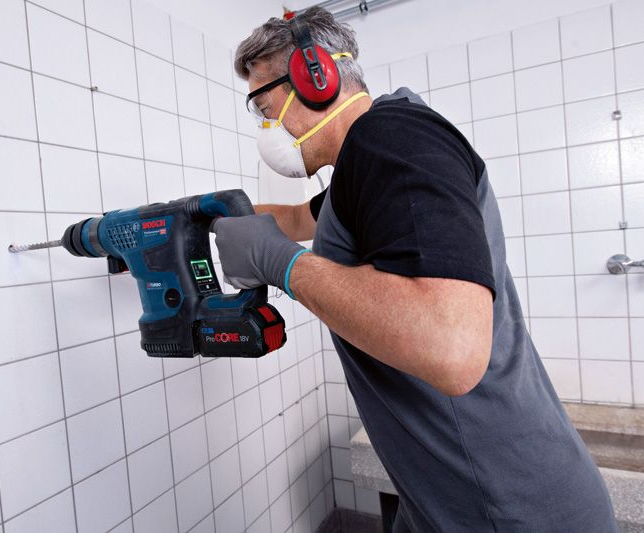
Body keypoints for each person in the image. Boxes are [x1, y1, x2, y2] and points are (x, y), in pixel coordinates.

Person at [212, 7, 619, 532]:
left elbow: (452, 349)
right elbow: (293, 219)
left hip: (510, 508)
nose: (267, 130)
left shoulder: (393, 139)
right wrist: (198, 217)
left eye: (266, 109)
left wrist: (279, 262)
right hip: (449, 500)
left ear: (317, 78)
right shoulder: (363, 167)